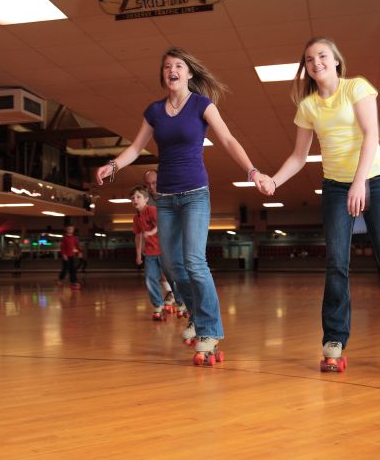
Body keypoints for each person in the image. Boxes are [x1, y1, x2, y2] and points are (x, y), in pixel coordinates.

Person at [261, 36, 380, 373]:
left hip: (375, 180)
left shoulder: (357, 88)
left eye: (322, 56)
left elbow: (371, 135)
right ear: (306, 68)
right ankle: (334, 339)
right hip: (336, 187)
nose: (316, 62)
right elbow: (298, 156)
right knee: (337, 262)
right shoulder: (308, 107)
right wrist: (275, 180)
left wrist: (359, 181)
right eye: (309, 59)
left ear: (336, 60)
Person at [95, 47, 268, 365]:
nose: (171, 70)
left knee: (194, 261)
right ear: (163, 75)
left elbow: (228, 139)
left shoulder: (202, 105)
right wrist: (114, 165)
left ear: (189, 74)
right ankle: (197, 319)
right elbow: (136, 147)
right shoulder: (154, 112)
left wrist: (252, 171)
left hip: (195, 194)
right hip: (167, 199)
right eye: (166, 67)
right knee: (172, 265)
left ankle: (210, 330)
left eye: (178, 66)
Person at [130, 185, 187, 321]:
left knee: (172, 279)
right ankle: (158, 307)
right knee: (150, 279)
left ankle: (181, 303)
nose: (135, 200)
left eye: (138, 197)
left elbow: (161, 224)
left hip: (164, 250)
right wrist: (138, 254)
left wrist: (151, 232)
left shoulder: (152, 210)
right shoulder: (136, 218)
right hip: (149, 253)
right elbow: (138, 237)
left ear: (146, 199)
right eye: (132, 198)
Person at [143, 169, 186, 316]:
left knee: (174, 271)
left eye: (154, 183)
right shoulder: (146, 201)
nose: (152, 187)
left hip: (174, 238)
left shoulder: (170, 195)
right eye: (148, 184)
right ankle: (171, 295)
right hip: (157, 243)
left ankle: (181, 299)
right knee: (160, 274)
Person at [57, 224, 81, 290]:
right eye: (69, 229)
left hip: (72, 256)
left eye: (71, 229)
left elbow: (77, 246)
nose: (70, 230)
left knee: (73, 269)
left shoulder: (74, 238)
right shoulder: (64, 238)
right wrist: (64, 255)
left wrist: (79, 252)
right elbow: (62, 247)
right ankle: (60, 279)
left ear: (73, 230)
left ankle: (73, 282)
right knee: (65, 269)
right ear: (66, 230)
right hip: (66, 256)